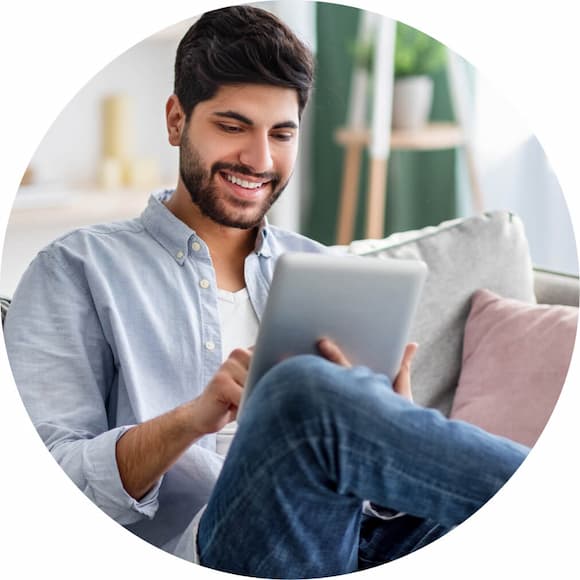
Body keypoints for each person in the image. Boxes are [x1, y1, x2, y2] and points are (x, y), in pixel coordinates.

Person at [4, 5, 528, 578]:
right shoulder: (75, 269)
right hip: (210, 550)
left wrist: (385, 423)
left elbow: (378, 502)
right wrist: (193, 419)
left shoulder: (322, 269)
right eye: (232, 127)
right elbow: (53, 485)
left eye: (281, 134)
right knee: (300, 387)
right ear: (177, 120)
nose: (259, 160)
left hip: (352, 542)